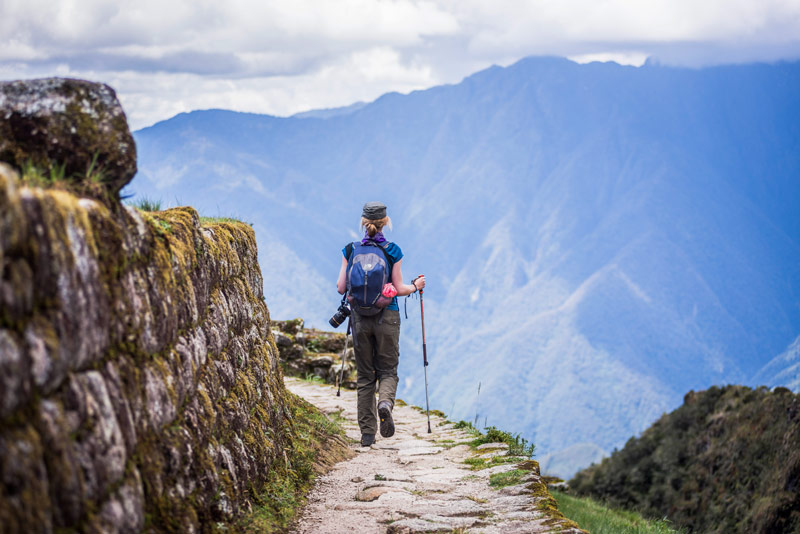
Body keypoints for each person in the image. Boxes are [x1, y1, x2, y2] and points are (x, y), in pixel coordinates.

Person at [337, 201, 425, 447]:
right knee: (387, 370)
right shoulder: (393, 251)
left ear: (363, 223)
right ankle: (385, 403)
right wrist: (416, 286)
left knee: (365, 376)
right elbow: (398, 289)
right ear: (386, 222)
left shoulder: (350, 250)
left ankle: (367, 434)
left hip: (360, 318)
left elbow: (341, 287)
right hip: (387, 316)